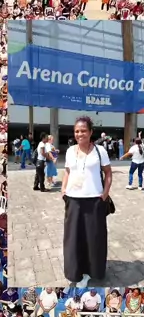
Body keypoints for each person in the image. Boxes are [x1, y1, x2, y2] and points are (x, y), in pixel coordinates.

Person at [61, 116, 112, 286]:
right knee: (73, 239)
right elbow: (67, 171)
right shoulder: (70, 151)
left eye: (83, 130)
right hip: (73, 201)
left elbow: (108, 173)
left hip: (94, 201)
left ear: (90, 132)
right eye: (77, 131)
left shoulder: (100, 151)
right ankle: (76, 272)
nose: (79, 134)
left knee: (94, 238)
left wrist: (105, 193)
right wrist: (63, 190)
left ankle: (92, 271)